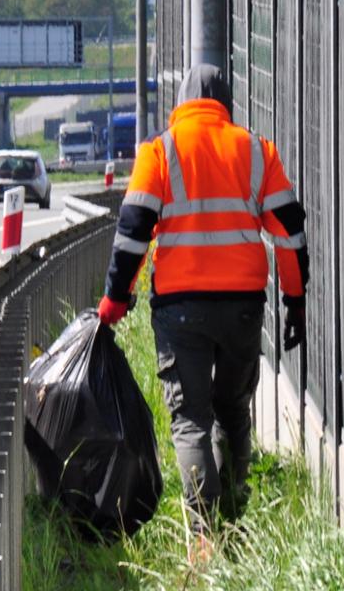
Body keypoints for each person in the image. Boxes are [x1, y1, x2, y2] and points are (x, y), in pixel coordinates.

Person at [97, 64, 309, 527]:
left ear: (182, 104)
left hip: (180, 309)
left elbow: (132, 233)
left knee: (190, 418)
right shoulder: (257, 151)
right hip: (242, 306)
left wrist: (116, 297)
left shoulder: (160, 151)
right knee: (232, 409)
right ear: (225, 105)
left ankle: (203, 531)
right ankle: (235, 511)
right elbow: (290, 234)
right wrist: (295, 300)